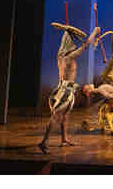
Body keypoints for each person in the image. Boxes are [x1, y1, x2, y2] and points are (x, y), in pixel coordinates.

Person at [39, 22, 100, 153]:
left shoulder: (61, 56)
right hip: (65, 90)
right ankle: (44, 142)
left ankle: (64, 139)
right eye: (72, 42)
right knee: (56, 116)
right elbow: (85, 46)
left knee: (66, 115)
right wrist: (95, 32)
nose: (74, 45)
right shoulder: (69, 57)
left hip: (66, 88)